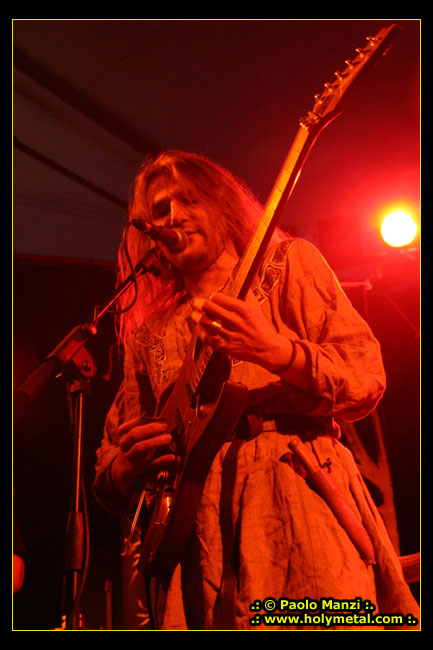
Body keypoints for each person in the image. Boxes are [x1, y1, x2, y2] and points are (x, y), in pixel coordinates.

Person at [92, 150, 419, 630]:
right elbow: (110, 464)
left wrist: (277, 351)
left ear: (222, 204)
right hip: (195, 536)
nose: (173, 216)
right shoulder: (150, 335)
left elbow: (364, 377)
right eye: (160, 210)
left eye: (188, 200)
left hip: (297, 496)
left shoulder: (289, 264)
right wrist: (127, 464)